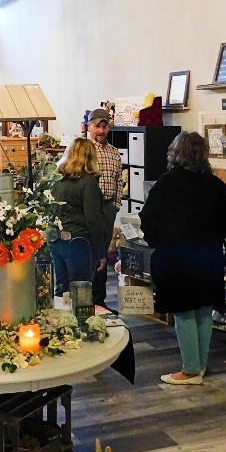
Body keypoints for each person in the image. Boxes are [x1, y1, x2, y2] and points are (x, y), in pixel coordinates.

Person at [139, 132, 226, 385]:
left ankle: (190, 371)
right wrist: (215, 233)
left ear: (176, 153)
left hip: (176, 258)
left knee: (184, 312)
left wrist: (159, 240)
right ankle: (200, 366)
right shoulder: (212, 182)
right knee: (204, 311)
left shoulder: (167, 183)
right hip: (208, 257)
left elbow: (148, 219)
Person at [50, 138, 106, 297]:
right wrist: (100, 252)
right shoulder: (88, 182)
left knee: (61, 292)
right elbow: (93, 220)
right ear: (90, 157)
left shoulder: (56, 179)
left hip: (56, 240)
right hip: (79, 242)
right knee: (80, 294)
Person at [87, 108, 122, 308]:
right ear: (89, 127)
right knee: (90, 252)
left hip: (108, 208)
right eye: (97, 126)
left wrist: (115, 206)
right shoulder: (83, 150)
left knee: (103, 252)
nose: (101, 131)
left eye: (104, 126)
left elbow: (119, 181)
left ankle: (100, 301)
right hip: (89, 209)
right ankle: (87, 300)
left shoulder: (114, 152)